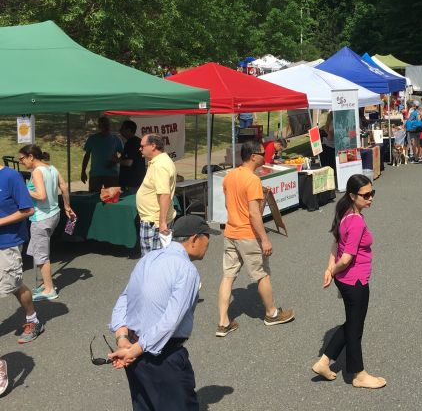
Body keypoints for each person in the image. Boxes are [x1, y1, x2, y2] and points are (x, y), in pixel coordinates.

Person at [108, 214, 212, 410]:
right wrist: (135, 350)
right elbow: (171, 321)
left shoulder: (149, 257)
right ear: (195, 239)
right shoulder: (187, 270)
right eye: (208, 238)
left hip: (134, 351)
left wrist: (123, 339)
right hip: (164, 356)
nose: (209, 244)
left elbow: (124, 298)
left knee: (144, 405)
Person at [313, 174, 386, 389]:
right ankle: (358, 374)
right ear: (353, 196)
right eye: (366, 195)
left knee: (352, 323)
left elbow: (336, 244)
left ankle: (324, 362)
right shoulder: (354, 221)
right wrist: (333, 269)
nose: (371, 198)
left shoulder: (345, 212)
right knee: (356, 327)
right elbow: (346, 258)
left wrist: (329, 269)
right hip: (355, 281)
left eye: (373, 193)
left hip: (347, 280)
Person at [216, 141, 294, 337]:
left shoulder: (230, 176)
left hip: (231, 232)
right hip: (247, 234)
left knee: (228, 276)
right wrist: (265, 239)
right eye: (261, 152)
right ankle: (272, 313)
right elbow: (254, 214)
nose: (264, 155)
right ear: (252, 156)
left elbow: (228, 204)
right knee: (261, 274)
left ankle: (223, 322)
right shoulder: (252, 180)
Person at [18, 145, 76, 301]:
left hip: (42, 218)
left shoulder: (37, 172)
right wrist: (67, 206)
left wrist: (22, 189)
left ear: (31, 156)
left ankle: (49, 289)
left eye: (22, 158)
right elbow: (64, 186)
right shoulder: (51, 168)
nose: (21, 162)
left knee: (42, 255)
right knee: (40, 251)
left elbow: (41, 195)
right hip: (53, 215)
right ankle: (46, 284)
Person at [0, 164, 43, 344]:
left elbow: (28, 209)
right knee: (12, 284)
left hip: (8, 242)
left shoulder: (11, 176)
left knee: (13, 285)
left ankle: (33, 320)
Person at [136, 134, 177, 256]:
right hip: (153, 220)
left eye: (142, 146)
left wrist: (162, 222)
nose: (140, 149)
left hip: (154, 223)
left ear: (153, 146)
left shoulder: (160, 165)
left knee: (152, 261)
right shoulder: (156, 162)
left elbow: (164, 194)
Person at [81, 115, 124, 192]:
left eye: (107, 125)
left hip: (112, 174)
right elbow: (87, 156)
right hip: (96, 174)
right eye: (103, 125)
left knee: (112, 198)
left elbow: (123, 154)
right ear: (99, 126)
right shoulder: (92, 139)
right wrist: (83, 171)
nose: (106, 127)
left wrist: (115, 162)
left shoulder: (116, 139)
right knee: (93, 197)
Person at [119, 120, 146, 190]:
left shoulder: (131, 142)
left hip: (131, 182)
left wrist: (115, 160)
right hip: (138, 180)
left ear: (129, 130)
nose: (120, 130)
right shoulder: (138, 141)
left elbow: (129, 162)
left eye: (122, 128)